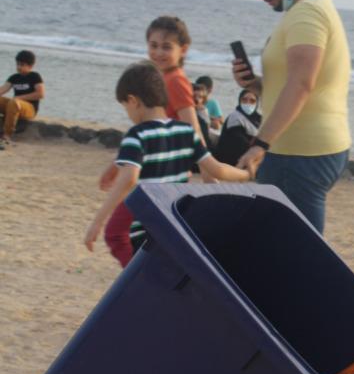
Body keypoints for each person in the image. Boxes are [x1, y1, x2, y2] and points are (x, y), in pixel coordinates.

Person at [233, 0, 351, 233]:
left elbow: (301, 83)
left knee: (296, 254)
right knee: (291, 249)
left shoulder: (307, 13)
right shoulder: (309, 9)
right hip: (308, 149)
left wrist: (260, 144)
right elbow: (298, 81)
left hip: (298, 153)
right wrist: (257, 85)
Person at [84, 63, 251, 261]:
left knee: (114, 237)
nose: (127, 113)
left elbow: (129, 178)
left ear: (133, 100)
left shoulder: (137, 134)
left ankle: (135, 278)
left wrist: (97, 221)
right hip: (170, 224)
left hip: (141, 231)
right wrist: (246, 174)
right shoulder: (186, 132)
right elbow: (217, 170)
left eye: (125, 107)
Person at [101, 16, 203, 268]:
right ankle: (142, 272)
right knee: (148, 233)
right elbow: (146, 133)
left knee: (117, 232)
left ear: (183, 49)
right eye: (153, 45)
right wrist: (116, 165)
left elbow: (192, 126)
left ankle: (136, 275)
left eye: (166, 46)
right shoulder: (157, 77)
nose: (158, 52)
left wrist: (198, 164)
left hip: (159, 176)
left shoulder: (176, 81)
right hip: (155, 173)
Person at [0, 49, 45, 146]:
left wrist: (19, 98)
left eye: (22, 65)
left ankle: (7, 135)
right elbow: (3, 89)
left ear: (30, 66)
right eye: (17, 64)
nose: (19, 67)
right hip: (14, 106)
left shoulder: (34, 76)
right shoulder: (14, 77)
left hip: (29, 108)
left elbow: (40, 94)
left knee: (14, 102)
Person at [215, 88, 262, 166]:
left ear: (257, 103)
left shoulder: (258, 119)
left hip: (249, 155)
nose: (248, 103)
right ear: (239, 101)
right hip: (231, 159)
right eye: (244, 100)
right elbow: (239, 141)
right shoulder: (235, 117)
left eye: (252, 101)